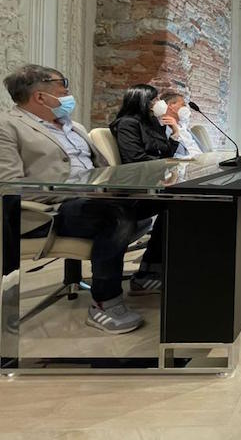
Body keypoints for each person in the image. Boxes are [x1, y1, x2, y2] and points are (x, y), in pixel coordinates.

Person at [0, 65, 154, 334]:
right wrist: (79, 191)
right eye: (63, 88)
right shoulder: (8, 126)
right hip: (48, 208)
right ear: (40, 96)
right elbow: (9, 185)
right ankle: (105, 302)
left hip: (96, 199)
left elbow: (103, 168)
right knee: (115, 216)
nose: (68, 94)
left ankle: (152, 273)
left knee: (164, 203)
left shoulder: (76, 127)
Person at [110, 84, 180, 163]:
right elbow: (135, 158)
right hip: (142, 169)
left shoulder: (153, 121)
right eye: (155, 99)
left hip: (158, 168)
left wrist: (175, 134)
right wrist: (165, 163)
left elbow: (167, 154)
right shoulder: (127, 124)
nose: (160, 102)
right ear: (144, 102)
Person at [161, 92, 203, 157]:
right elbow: (169, 157)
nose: (186, 108)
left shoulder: (184, 127)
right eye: (183, 105)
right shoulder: (162, 129)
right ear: (171, 106)